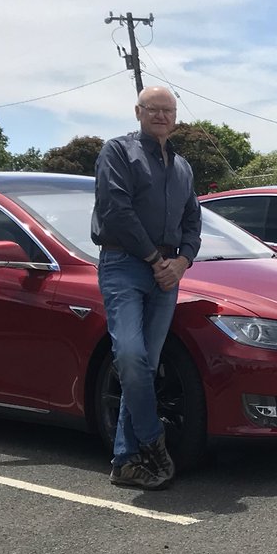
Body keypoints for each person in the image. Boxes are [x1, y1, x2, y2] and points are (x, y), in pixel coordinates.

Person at [93, 86, 201, 491]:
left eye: (167, 110)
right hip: (124, 264)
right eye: (153, 109)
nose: (161, 115)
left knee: (144, 367)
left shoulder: (183, 167)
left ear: (176, 116)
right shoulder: (117, 153)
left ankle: (125, 461)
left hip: (168, 273)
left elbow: (193, 220)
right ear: (138, 111)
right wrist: (156, 261)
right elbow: (115, 210)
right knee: (131, 356)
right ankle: (154, 442)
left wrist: (182, 261)